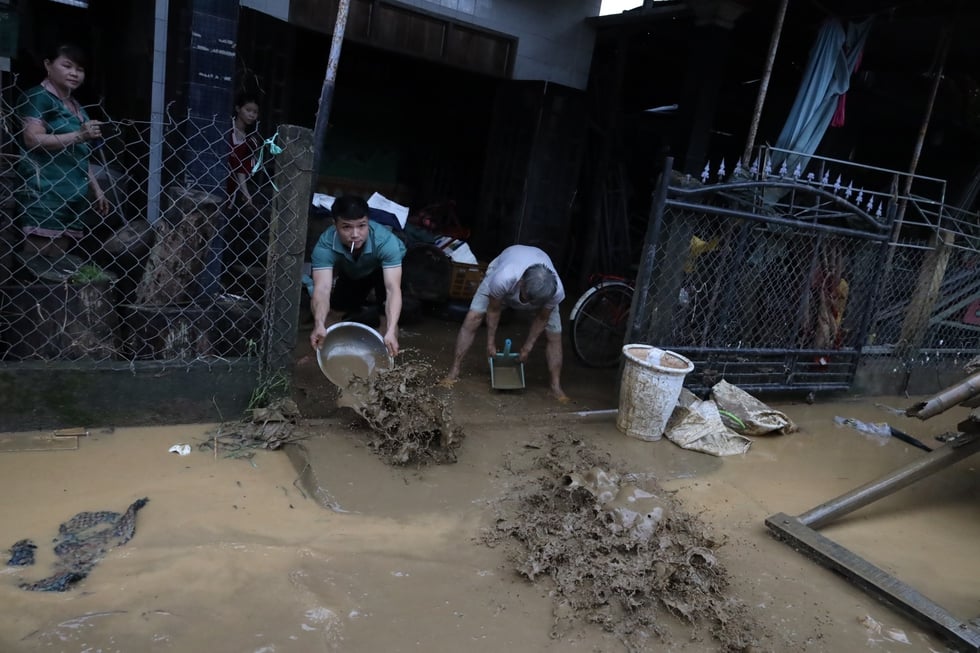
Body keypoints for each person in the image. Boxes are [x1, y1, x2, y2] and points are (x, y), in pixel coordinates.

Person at [16, 43, 109, 259]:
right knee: (36, 263)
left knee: (59, 262)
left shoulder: (78, 107)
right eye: (67, 66)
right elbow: (32, 139)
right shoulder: (38, 97)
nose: (74, 74)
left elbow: (80, 154)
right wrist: (79, 135)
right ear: (48, 65)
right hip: (46, 190)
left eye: (80, 69)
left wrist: (96, 188)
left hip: (75, 194)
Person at [442, 244, 568, 401]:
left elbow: (542, 318)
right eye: (528, 299)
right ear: (521, 283)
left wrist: (527, 348)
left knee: (555, 335)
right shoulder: (503, 277)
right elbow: (494, 310)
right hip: (505, 264)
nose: (530, 304)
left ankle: (555, 386)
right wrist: (490, 343)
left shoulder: (555, 291)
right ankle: (454, 371)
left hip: (536, 276)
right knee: (473, 317)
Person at [309, 195, 406, 357]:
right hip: (353, 268)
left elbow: (392, 289)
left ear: (368, 221)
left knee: (386, 317)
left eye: (362, 226)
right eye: (346, 227)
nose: (355, 234)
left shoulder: (386, 242)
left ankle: (385, 357)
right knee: (335, 311)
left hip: (385, 268)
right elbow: (322, 289)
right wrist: (318, 324)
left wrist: (391, 330)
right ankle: (321, 355)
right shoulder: (325, 244)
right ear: (335, 225)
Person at [227, 93, 261, 208]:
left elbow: (242, 169)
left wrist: (245, 192)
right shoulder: (226, 130)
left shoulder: (251, 140)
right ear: (238, 109)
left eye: (255, 112)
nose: (251, 115)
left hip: (232, 187)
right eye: (248, 110)